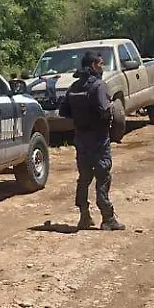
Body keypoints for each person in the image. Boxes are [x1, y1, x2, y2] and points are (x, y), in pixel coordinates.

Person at [59, 51, 125, 231]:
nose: (102, 67)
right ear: (93, 65)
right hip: (99, 139)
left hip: (81, 139)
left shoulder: (74, 87)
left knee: (84, 178)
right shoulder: (99, 86)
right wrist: (113, 107)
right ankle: (108, 218)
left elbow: (63, 111)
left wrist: (80, 115)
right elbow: (105, 110)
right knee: (103, 177)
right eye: (100, 64)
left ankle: (84, 216)